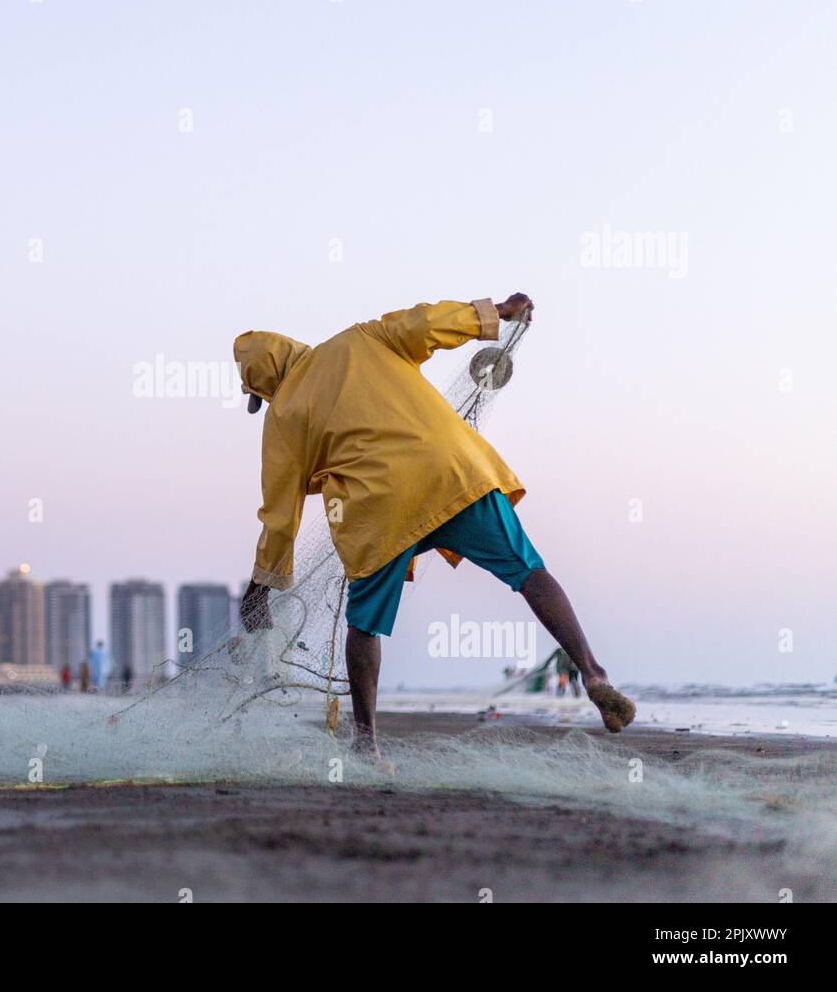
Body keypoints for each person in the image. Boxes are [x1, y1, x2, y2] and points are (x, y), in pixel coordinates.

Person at [236, 295, 635, 759]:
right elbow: (426, 323)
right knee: (529, 572)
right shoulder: (359, 337)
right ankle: (591, 670)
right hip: (452, 474)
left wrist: (262, 586)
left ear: (263, 385)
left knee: (365, 627)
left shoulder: (282, 416)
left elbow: (280, 514)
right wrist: (495, 313)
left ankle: (367, 746)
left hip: (378, 511)